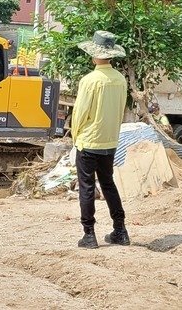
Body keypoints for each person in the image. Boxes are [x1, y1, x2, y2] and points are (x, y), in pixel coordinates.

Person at [71, 30, 130, 249]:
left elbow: (80, 113)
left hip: (89, 141)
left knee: (86, 187)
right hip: (110, 141)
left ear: (94, 55)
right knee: (108, 183)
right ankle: (120, 230)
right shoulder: (120, 79)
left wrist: (76, 138)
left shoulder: (90, 80)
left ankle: (89, 234)